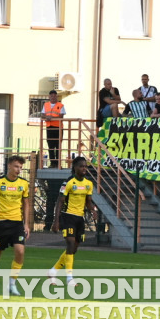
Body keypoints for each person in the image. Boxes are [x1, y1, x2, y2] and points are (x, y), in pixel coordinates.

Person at [0, 155, 31, 296]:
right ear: (9, 166)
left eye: (21, 168)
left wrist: (27, 224)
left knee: (20, 251)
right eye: (16, 166)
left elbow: (26, 204)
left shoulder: (23, 183)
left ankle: (12, 284)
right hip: (0, 224)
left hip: (17, 224)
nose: (19, 170)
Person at [49, 156, 94, 286]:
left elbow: (88, 202)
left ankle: (53, 271)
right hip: (68, 216)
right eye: (81, 166)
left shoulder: (88, 184)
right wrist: (56, 221)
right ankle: (69, 278)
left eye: (85, 166)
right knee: (70, 244)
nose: (84, 168)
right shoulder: (68, 183)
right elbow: (60, 201)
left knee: (74, 248)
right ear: (75, 168)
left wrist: (93, 210)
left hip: (80, 219)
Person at [42, 89, 65, 167]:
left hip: (58, 128)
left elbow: (61, 116)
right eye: (51, 96)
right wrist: (47, 117)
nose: (53, 97)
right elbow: (42, 114)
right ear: (49, 96)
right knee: (50, 146)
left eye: (55, 96)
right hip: (49, 127)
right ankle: (52, 163)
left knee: (58, 146)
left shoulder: (60, 105)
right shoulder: (46, 105)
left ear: (57, 97)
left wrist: (52, 117)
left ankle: (58, 163)